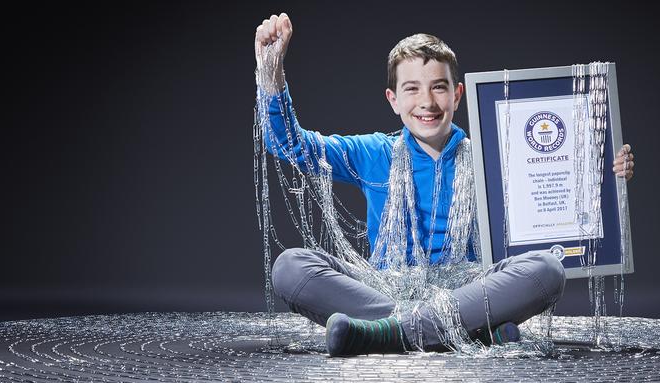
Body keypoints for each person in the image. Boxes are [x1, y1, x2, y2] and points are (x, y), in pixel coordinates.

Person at [254, 12, 636, 356]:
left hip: (468, 288)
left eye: (438, 87)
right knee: (290, 267)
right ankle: (466, 332)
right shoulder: (373, 153)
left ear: (457, 94)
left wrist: (602, 170)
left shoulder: (496, 154)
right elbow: (290, 144)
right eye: (412, 89)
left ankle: (388, 334)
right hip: (384, 287)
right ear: (393, 100)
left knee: (547, 269)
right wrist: (272, 73)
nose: (427, 101)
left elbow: (557, 188)